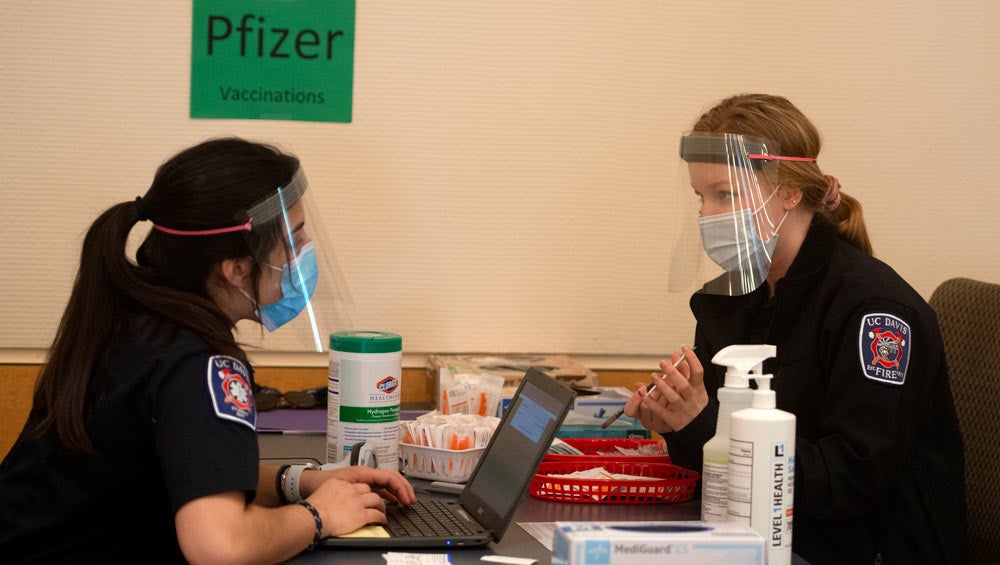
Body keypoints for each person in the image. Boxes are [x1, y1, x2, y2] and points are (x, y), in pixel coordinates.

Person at [0, 138, 416, 563]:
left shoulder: (136, 315)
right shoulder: (198, 362)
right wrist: (320, 515)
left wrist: (301, 482)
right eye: (294, 239)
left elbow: (189, 471)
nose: (306, 247)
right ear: (236, 268)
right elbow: (220, 546)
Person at [624, 94, 966, 564]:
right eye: (701, 197)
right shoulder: (737, 299)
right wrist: (677, 425)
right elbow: (719, 457)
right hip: (757, 534)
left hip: (851, 549)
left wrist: (703, 425)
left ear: (789, 191)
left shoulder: (876, 313)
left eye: (725, 195)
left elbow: (850, 482)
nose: (707, 215)